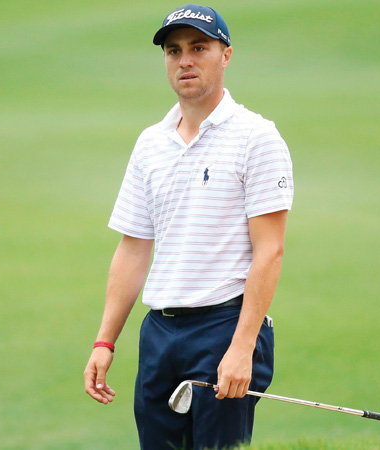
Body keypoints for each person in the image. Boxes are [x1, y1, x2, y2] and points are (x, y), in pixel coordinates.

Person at [83, 4, 294, 449]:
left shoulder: (257, 138)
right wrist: (105, 342)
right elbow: (133, 248)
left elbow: (270, 251)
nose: (185, 61)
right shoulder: (150, 143)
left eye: (199, 48)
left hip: (224, 326)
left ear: (226, 55)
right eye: (174, 51)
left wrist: (242, 348)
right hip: (159, 333)